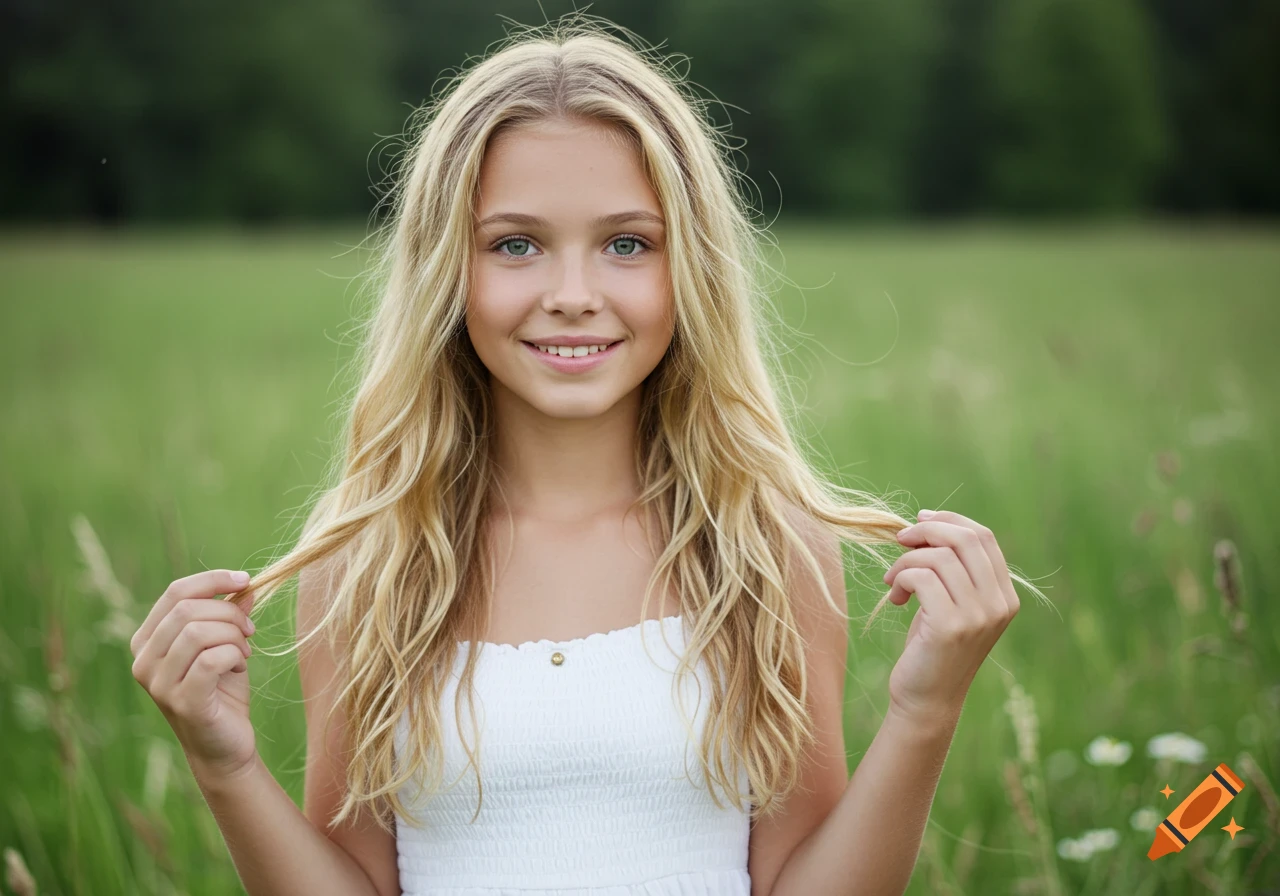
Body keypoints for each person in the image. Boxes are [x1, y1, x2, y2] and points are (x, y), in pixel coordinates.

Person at [128, 14, 1042, 896]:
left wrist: (925, 712)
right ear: (447, 267)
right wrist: (227, 764)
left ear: (692, 267)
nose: (573, 294)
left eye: (626, 244)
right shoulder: (367, 563)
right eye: (516, 245)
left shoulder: (767, 549)